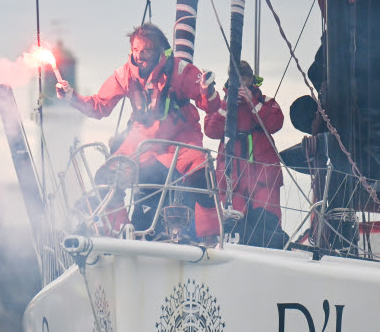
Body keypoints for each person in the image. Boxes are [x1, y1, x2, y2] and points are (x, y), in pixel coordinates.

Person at [57, 23, 221, 239]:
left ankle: (210, 237)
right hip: (142, 140)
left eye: (145, 50)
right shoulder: (124, 75)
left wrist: (208, 91)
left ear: (159, 51)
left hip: (181, 139)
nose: (139, 56)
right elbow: (99, 107)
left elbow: (211, 106)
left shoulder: (181, 71)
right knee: (106, 176)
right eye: (136, 50)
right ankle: (121, 232)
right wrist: (72, 97)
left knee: (201, 175)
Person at [203, 60, 289, 248]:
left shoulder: (266, 102)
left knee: (267, 222)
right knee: (231, 224)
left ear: (251, 80)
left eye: (244, 79)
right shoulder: (221, 104)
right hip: (231, 176)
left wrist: (252, 102)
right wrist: (227, 106)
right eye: (236, 80)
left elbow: (275, 124)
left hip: (262, 176)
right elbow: (210, 130)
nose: (240, 84)